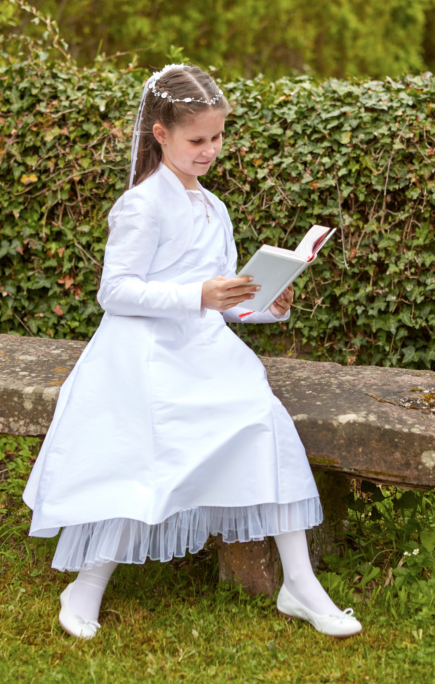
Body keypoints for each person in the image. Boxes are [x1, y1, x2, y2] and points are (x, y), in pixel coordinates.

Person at [23, 64, 362, 640]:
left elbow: (221, 296)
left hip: (203, 349)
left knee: (266, 425)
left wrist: (259, 306)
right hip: (146, 355)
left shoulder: (214, 207)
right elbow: (116, 290)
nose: (209, 151)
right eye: (197, 140)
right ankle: (86, 585)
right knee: (145, 457)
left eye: (218, 138)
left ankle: (299, 584)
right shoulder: (142, 204)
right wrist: (197, 294)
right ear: (161, 134)